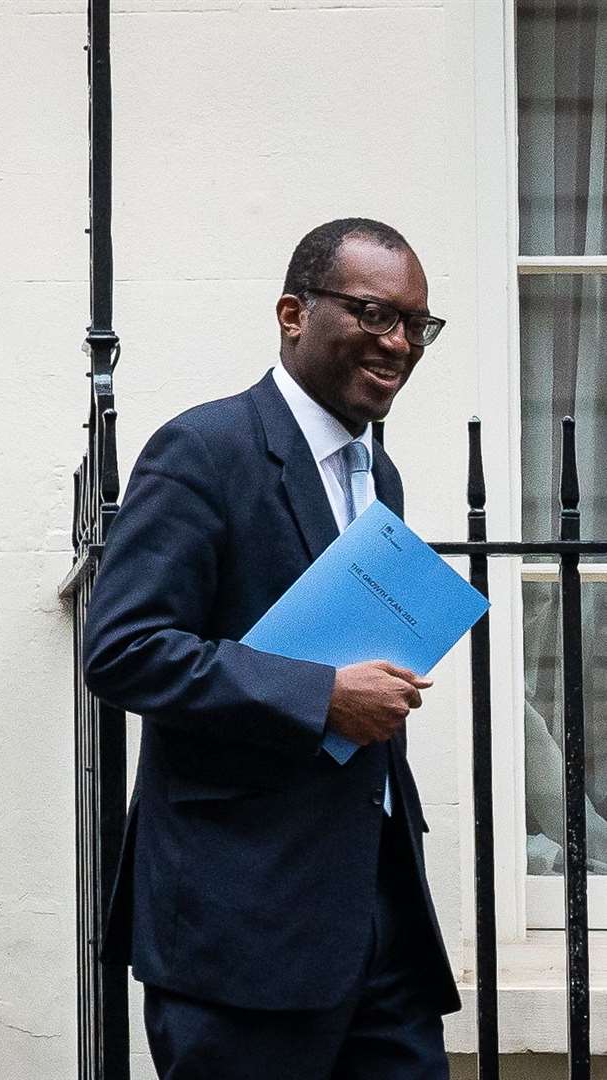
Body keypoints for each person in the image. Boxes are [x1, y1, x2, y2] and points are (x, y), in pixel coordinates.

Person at [83, 218, 461, 1079]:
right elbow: (124, 648)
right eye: (374, 314)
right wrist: (319, 695)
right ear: (294, 312)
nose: (399, 342)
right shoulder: (204, 450)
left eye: (416, 324)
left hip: (378, 915)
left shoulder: (379, 472)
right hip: (242, 924)